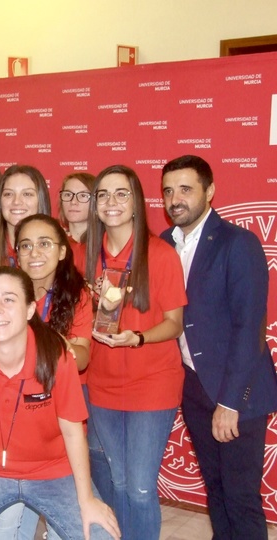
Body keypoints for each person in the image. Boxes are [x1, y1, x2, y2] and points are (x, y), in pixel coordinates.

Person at [0, 267, 120, 540]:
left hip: (52, 472)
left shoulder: (55, 356)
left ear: (30, 309)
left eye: (8, 299)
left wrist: (87, 499)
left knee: (100, 534)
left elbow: (73, 431)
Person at [160, 155, 277, 540]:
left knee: (241, 498)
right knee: (216, 490)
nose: (175, 199)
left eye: (186, 189)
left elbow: (250, 330)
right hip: (194, 387)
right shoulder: (162, 245)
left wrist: (230, 403)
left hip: (237, 390)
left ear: (209, 192)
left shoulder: (238, 243)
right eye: (168, 191)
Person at [84, 165, 186, 540]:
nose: (111, 202)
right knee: (118, 479)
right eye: (103, 195)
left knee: (140, 488)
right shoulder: (86, 256)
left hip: (151, 385)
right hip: (103, 385)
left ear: (137, 203)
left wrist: (137, 337)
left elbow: (174, 323)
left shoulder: (159, 254)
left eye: (121, 194)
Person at [0, 214, 94, 539]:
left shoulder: (77, 294)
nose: (35, 252)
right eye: (26, 245)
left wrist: (51, 346)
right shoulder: (3, 291)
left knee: (69, 524)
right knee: (6, 524)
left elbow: (83, 357)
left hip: (58, 419)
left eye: (44, 244)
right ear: (16, 253)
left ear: (62, 251)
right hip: (9, 418)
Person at [0, 164, 51, 271]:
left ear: (41, 199)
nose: (16, 201)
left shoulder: (60, 248)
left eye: (27, 194)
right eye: (8, 194)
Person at [58, 172, 95, 246]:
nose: (73, 202)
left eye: (83, 195)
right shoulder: (54, 242)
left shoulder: (107, 243)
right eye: (68, 194)